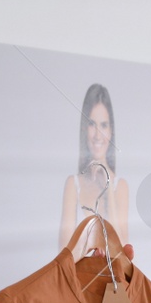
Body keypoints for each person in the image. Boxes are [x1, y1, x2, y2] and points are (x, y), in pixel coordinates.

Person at [58, 83, 130, 250]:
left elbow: (122, 255)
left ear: (111, 131)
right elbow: (64, 255)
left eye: (104, 125)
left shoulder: (120, 187)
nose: (98, 134)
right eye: (92, 124)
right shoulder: (72, 185)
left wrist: (108, 184)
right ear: (84, 128)